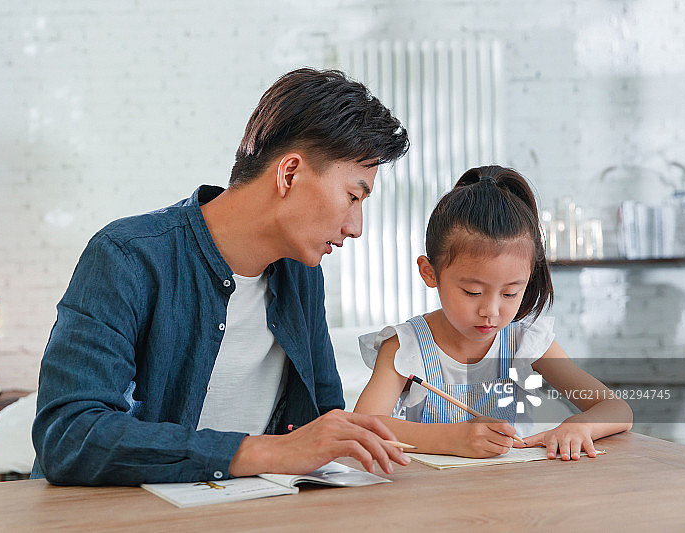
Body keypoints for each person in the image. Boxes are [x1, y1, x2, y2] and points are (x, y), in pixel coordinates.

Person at [31, 68, 411, 485]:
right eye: (353, 196)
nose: (356, 226)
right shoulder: (127, 257)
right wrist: (267, 452)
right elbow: (69, 434)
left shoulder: (302, 276)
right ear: (289, 173)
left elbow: (322, 421)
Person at [354, 165, 632, 460]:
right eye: (472, 292)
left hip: (511, 495)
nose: (491, 311)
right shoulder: (406, 346)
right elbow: (363, 426)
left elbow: (618, 410)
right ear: (429, 272)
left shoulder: (525, 341)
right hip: (431, 498)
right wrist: (451, 439)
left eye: (510, 293)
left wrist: (580, 426)